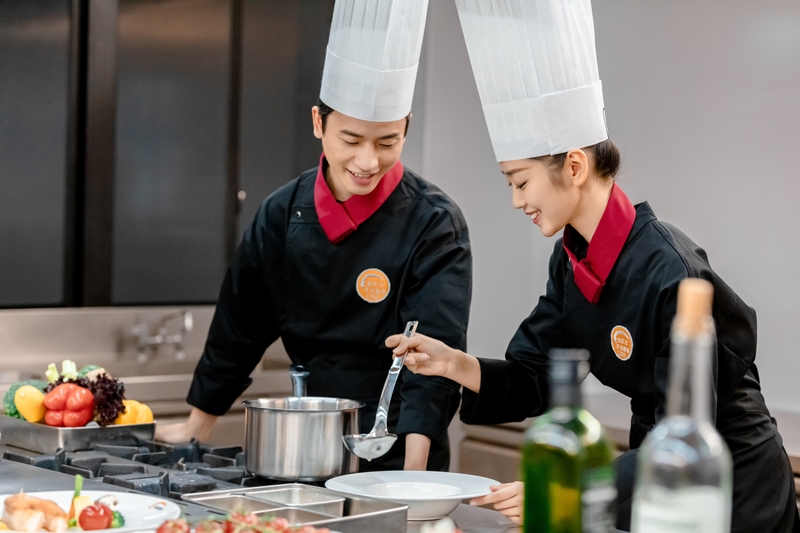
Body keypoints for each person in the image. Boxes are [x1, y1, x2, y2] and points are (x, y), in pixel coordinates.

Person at [387, 0, 799, 530]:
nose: (516, 201)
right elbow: (536, 376)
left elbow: (685, 436)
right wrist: (453, 364)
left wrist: (569, 488)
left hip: (733, 491)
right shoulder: (572, 259)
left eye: (520, 182)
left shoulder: (672, 272)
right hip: (654, 473)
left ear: (575, 167)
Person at [156, 0, 471, 473]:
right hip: (302, 444)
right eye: (351, 140)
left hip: (396, 447)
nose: (367, 161)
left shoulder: (434, 223)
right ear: (319, 123)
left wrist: (414, 476)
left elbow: (434, 360)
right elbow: (238, 330)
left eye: (387, 142)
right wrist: (196, 427)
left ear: (405, 130)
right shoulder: (281, 214)